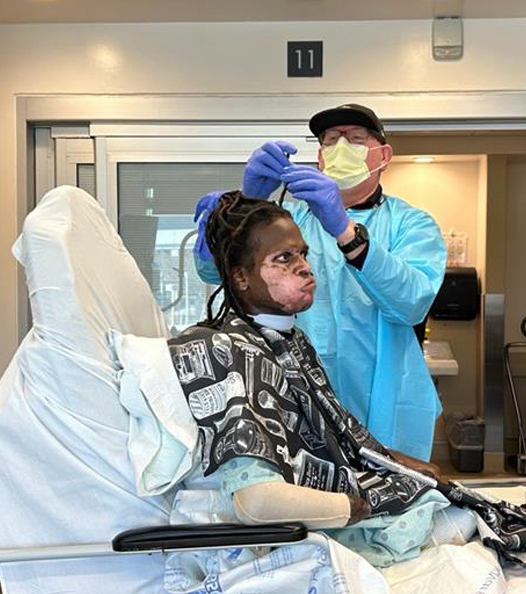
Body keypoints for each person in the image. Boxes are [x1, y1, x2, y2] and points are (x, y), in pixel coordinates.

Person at [171, 191, 459, 567]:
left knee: (463, 503)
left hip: (352, 485)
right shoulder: (222, 349)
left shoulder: (291, 339)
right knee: (465, 520)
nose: (306, 268)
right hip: (331, 519)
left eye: (303, 255)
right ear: (240, 276)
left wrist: (397, 465)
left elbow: (337, 434)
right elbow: (256, 500)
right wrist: (356, 505)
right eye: (284, 259)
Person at [193, 104, 446, 460]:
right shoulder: (287, 221)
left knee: (393, 496)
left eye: (356, 139)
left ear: (383, 155)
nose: (341, 147)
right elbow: (213, 273)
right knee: (314, 500)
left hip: (385, 403)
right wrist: (246, 207)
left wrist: (345, 231)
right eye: (330, 140)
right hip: (295, 394)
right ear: (320, 158)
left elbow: (412, 303)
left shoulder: (412, 224)